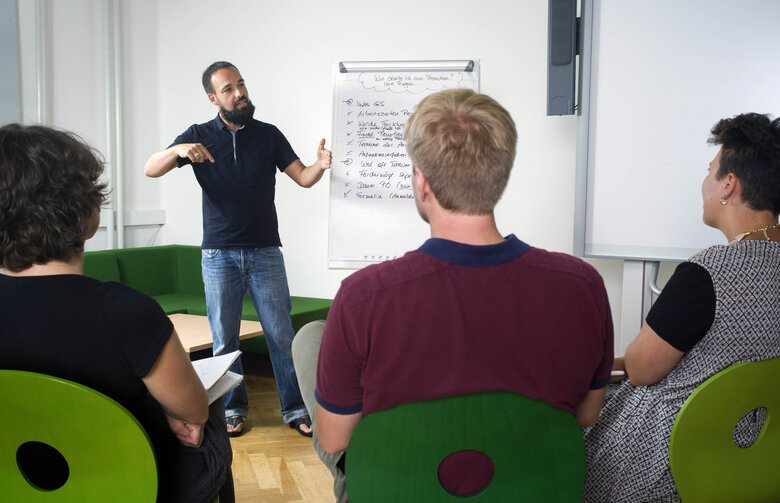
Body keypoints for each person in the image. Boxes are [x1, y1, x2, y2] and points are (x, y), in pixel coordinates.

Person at [291, 89, 614, 502]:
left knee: (310, 341)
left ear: (422, 182)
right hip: (535, 491)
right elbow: (586, 414)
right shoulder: (583, 286)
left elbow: (335, 439)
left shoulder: (362, 298)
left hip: (396, 490)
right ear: (501, 174)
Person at [0, 123, 234, 503]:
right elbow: (192, 411)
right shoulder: (125, 312)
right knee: (210, 412)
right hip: (132, 486)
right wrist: (174, 413)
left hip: (11, 485)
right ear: (84, 210)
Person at [583, 112, 780, 502]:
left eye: (710, 172)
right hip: (755, 457)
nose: (704, 183)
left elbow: (640, 369)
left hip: (667, 462)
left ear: (729, 184)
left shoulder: (707, 272)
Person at [144, 61, 331, 437]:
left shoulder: (269, 135)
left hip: (265, 252)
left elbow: (303, 178)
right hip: (218, 255)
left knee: (280, 335)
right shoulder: (199, 135)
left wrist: (320, 165)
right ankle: (233, 409)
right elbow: (151, 168)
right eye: (228, 89)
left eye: (241, 84)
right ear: (214, 98)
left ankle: (295, 408)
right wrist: (180, 149)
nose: (239, 92)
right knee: (224, 339)